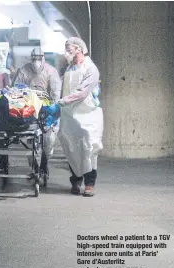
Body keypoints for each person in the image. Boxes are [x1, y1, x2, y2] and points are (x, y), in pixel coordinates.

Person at [56, 37, 103, 197]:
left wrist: (62, 102)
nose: (67, 53)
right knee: (72, 148)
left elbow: (82, 92)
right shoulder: (69, 68)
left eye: (70, 49)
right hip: (69, 115)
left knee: (89, 148)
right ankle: (76, 180)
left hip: (87, 115)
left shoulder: (91, 69)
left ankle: (89, 183)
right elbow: (63, 88)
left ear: (79, 49)